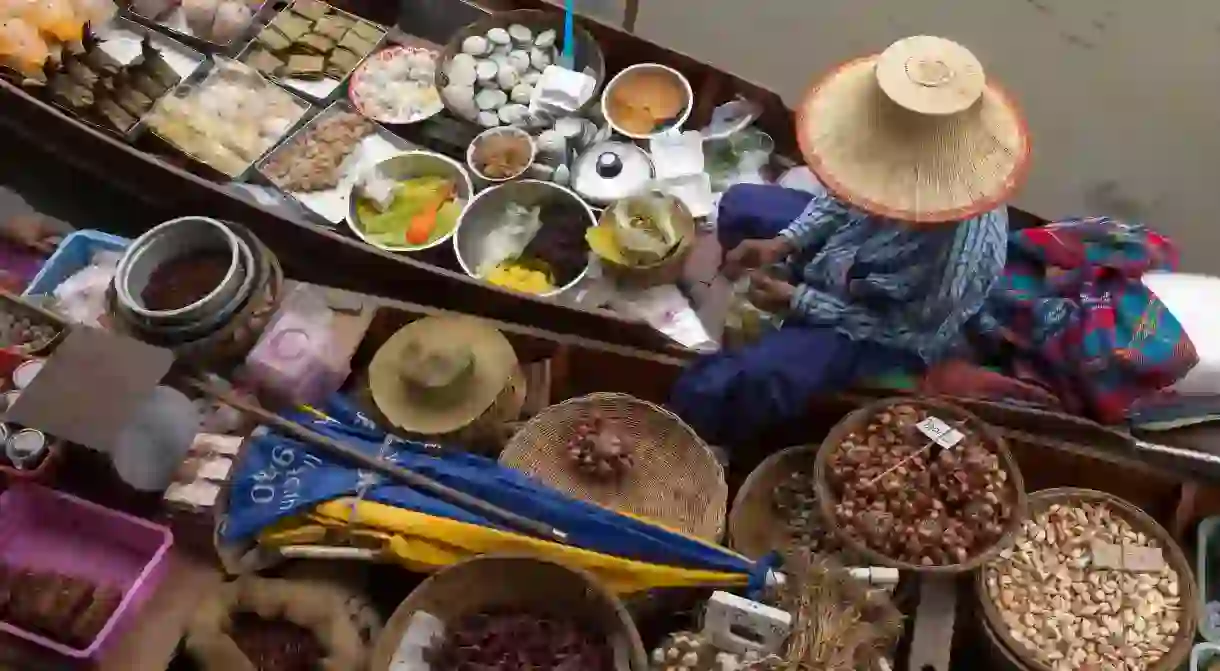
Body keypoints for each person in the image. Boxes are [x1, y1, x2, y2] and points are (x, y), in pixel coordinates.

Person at [670, 36, 1031, 447]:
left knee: (755, 379)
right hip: (847, 259)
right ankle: (772, 298)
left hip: (880, 328)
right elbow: (840, 199)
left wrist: (799, 300)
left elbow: (898, 330)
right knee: (741, 205)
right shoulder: (885, 160)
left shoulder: (952, 261)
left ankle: (711, 435)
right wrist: (785, 244)